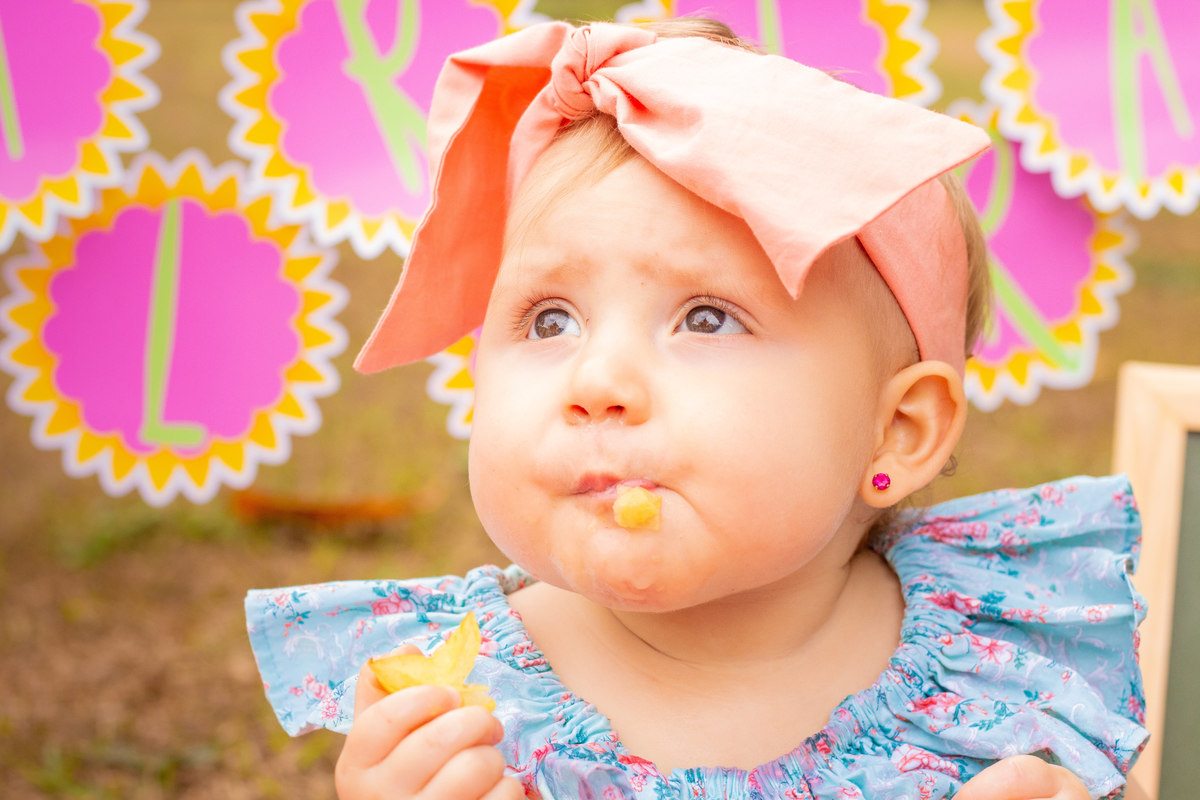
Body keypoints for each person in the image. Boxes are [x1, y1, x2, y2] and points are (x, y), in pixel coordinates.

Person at [245, 18, 1149, 799]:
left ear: (896, 430)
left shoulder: (993, 676)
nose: (597, 380)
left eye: (706, 318)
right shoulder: (466, 711)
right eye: (548, 318)